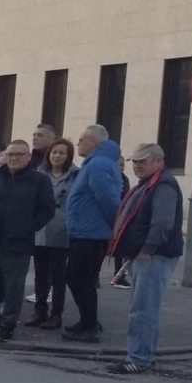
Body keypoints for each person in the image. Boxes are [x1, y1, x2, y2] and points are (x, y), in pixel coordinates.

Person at [105, 143, 183, 374]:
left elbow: (162, 223)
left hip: (153, 255)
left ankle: (138, 358)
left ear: (158, 162)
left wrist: (147, 249)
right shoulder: (152, 183)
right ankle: (143, 354)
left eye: (143, 161)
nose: (137, 166)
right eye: (135, 162)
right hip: (148, 254)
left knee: (143, 308)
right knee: (143, 307)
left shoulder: (163, 185)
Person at [0, 140, 55, 341]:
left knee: (13, 288)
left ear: (28, 157)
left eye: (19, 154)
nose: (14, 158)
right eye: (11, 154)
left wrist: (27, 228)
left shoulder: (39, 181)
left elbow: (47, 210)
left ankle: (7, 324)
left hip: (17, 245)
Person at [61, 124, 123, 342]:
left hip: (91, 234)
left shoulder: (98, 165)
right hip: (86, 232)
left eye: (81, 139)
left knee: (80, 279)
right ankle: (87, 321)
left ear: (93, 142)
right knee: (78, 278)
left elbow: (109, 201)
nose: (78, 143)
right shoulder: (96, 163)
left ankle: (89, 325)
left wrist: (111, 227)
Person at [27, 137, 78, 328]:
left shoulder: (75, 175)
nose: (57, 156)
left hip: (62, 230)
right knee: (40, 275)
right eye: (54, 152)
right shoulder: (39, 174)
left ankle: (56, 314)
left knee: (58, 276)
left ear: (68, 156)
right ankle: (39, 311)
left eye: (62, 153)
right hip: (41, 229)